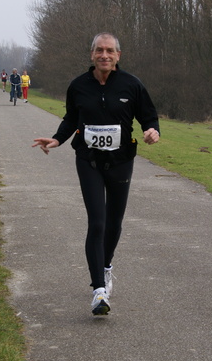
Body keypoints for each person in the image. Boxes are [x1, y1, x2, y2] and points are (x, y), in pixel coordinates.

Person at [32, 32, 160, 316]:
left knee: (114, 223)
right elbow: (70, 118)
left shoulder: (132, 84)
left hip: (121, 161)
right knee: (97, 222)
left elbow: (149, 116)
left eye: (110, 51)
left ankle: (106, 266)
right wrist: (56, 139)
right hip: (88, 160)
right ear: (91, 54)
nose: (104, 55)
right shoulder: (78, 86)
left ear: (118, 56)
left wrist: (153, 131)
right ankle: (98, 291)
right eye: (99, 50)